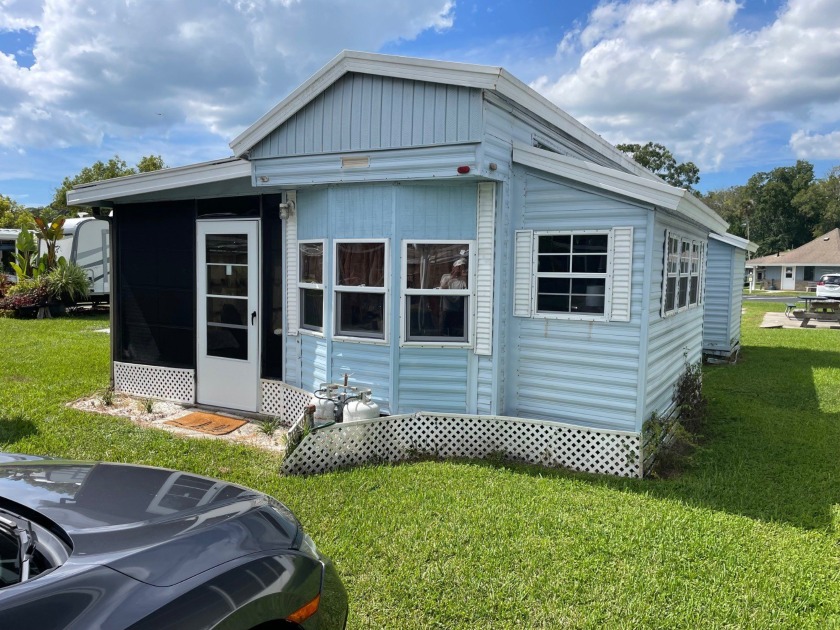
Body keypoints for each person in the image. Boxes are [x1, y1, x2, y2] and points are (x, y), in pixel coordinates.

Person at [439, 258, 467, 336]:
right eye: (458, 267)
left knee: (454, 330)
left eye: (462, 267)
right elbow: (442, 287)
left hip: (457, 309)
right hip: (446, 308)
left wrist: (465, 277)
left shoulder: (462, 280)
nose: (459, 270)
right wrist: (452, 277)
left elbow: (468, 289)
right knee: (443, 330)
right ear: (453, 267)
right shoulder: (445, 276)